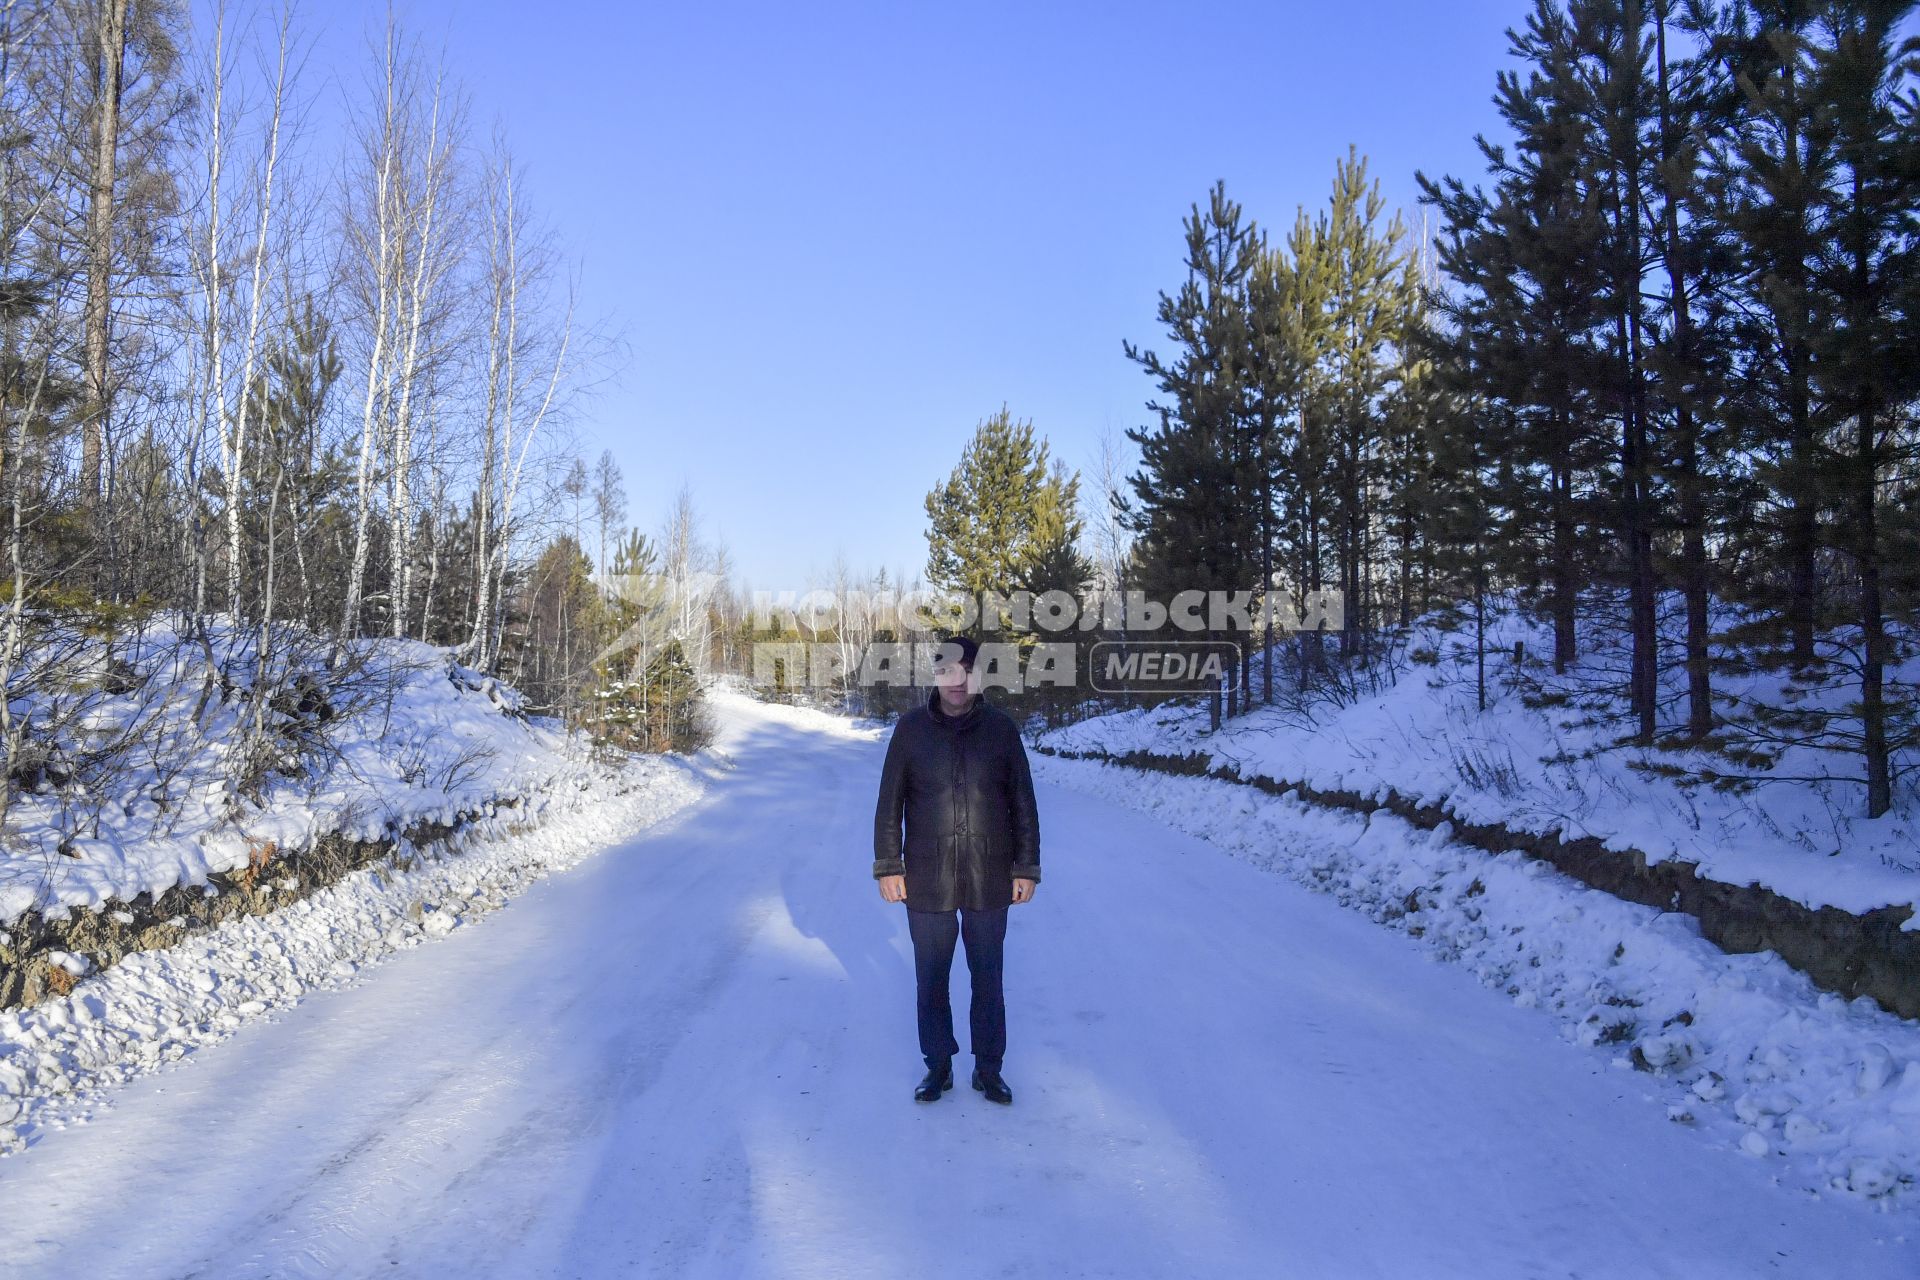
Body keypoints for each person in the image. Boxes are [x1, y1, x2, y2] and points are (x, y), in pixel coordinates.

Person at [872, 634, 1041, 1104]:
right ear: (936, 675)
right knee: (933, 976)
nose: (957, 680)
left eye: (966, 670)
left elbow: (1023, 803)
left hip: (990, 874)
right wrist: (889, 865)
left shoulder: (1001, 731)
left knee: (988, 975)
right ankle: (938, 1066)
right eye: (947, 670)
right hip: (927, 874)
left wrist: (1025, 866)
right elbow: (890, 803)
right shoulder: (910, 730)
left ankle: (989, 1068)